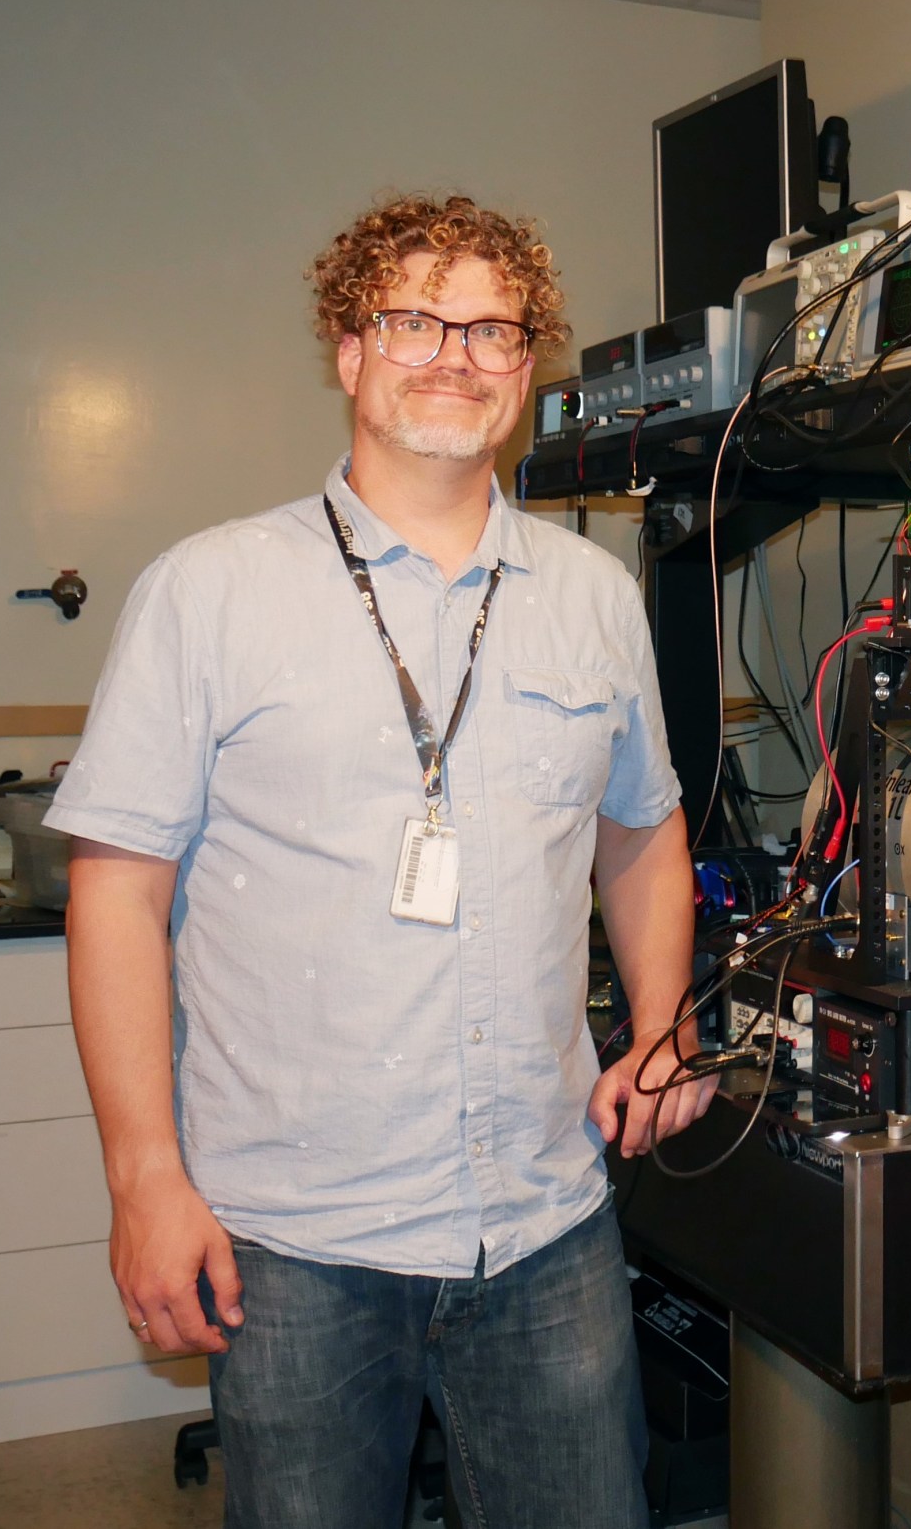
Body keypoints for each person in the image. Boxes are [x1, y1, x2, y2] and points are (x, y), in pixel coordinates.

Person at [48, 193, 709, 1529]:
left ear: (526, 371)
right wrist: (144, 1180)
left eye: (492, 329)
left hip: (544, 1226)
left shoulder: (594, 598)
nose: (454, 353)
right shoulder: (211, 591)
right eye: (414, 319)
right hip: (294, 1240)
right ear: (349, 352)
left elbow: (641, 831)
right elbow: (117, 892)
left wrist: (662, 1026)